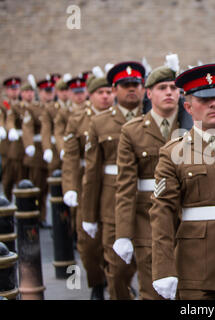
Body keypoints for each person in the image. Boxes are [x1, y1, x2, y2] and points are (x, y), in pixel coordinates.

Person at [150, 63, 215, 300]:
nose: (214, 104)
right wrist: (163, 268)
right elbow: (163, 212)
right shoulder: (173, 152)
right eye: (205, 99)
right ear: (189, 107)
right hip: (197, 266)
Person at [114, 65, 186, 299]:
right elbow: (125, 186)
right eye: (162, 88)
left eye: (174, 88)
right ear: (149, 93)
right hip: (147, 218)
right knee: (153, 289)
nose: (169, 92)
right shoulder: (132, 131)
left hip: (186, 219)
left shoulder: (193, 127)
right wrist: (123, 233)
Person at [81, 61, 146, 299]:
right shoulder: (100, 123)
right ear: (115, 89)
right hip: (112, 205)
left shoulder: (153, 118)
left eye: (136, 84)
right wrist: (89, 215)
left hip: (149, 203)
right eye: (126, 85)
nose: (132, 89)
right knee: (118, 267)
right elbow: (92, 174)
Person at [62, 72, 113, 300]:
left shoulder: (121, 118)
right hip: (86, 185)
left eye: (109, 92)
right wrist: (70, 187)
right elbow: (71, 158)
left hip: (113, 186)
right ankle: (97, 282)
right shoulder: (78, 119)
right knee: (88, 241)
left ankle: (116, 281)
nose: (105, 96)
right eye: (100, 93)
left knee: (114, 238)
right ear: (90, 96)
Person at [22, 77, 55, 227]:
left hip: (53, 150)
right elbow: (27, 128)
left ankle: (44, 217)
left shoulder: (57, 107)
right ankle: (32, 215)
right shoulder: (32, 108)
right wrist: (29, 145)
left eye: (50, 91)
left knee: (51, 186)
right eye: (45, 92)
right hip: (37, 152)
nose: (48, 95)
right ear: (40, 92)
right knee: (37, 185)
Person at [4, 80, 34, 201]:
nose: (29, 94)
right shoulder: (15, 107)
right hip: (17, 147)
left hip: (33, 148)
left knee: (32, 180)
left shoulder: (36, 107)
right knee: (14, 179)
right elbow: (9, 119)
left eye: (31, 91)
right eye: (26, 91)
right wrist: (10, 129)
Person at [1, 77, 21, 193]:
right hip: (6, 147)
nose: (14, 91)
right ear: (7, 90)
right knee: (7, 180)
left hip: (20, 148)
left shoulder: (21, 105)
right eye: (11, 89)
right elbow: (2, 118)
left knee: (21, 179)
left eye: (16, 88)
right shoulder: (3, 105)